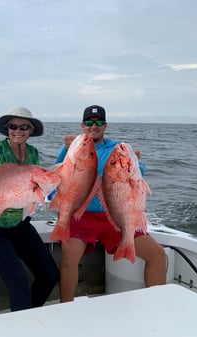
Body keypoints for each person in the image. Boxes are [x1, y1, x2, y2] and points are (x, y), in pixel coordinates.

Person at [56, 105, 166, 302]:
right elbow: (59, 177)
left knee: (157, 255)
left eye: (98, 122)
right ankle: (66, 307)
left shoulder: (116, 150)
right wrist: (66, 148)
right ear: (82, 125)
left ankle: (157, 305)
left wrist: (136, 161)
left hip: (116, 215)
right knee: (69, 259)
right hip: (81, 215)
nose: (93, 126)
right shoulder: (72, 148)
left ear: (105, 125)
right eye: (89, 122)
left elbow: (136, 176)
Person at [0, 107, 59, 311]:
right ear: (7, 129)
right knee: (18, 282)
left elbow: (33, 189)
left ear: (31, 130)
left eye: (24, 127)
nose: (18, 130)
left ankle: (26, 316)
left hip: (19, 224)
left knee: (50, 274)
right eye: (13, 126)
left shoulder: (33, 153)